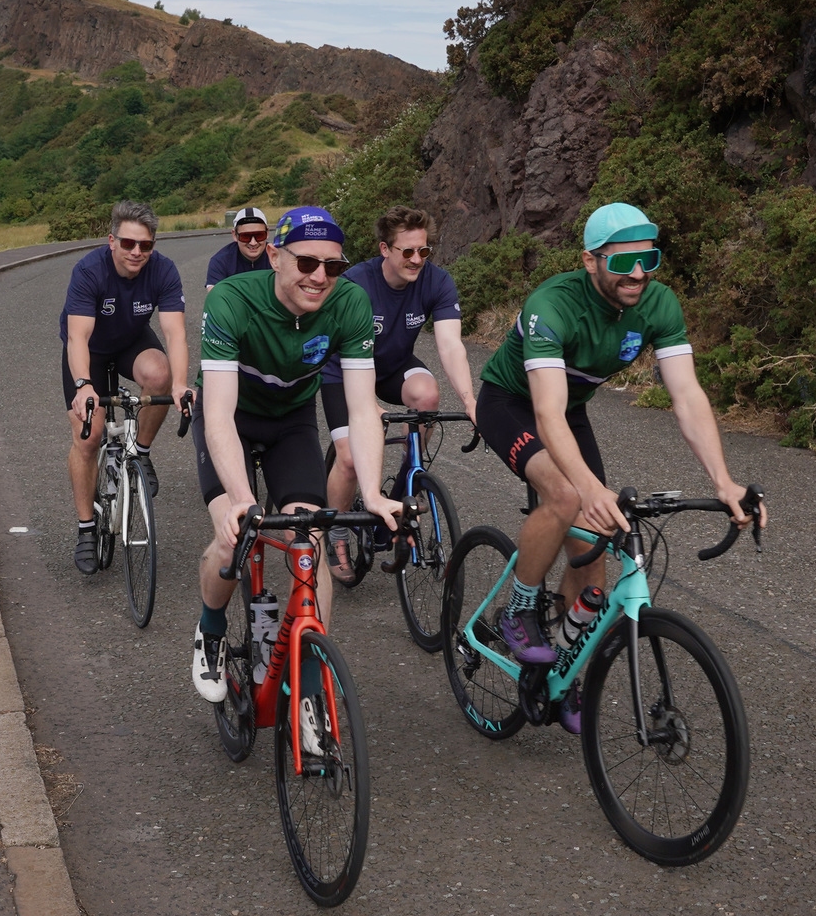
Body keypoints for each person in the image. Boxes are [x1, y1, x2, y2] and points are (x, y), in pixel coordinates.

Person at [473, 202, 765, 733]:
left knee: (593, 548)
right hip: (511, 403)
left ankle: (565, 665)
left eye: (649, 259)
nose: (638, 273)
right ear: (590, 261)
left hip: (572, 409)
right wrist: (587, 488)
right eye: (623, 262)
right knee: (565, 498)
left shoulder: (658, 304)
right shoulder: (552, 305)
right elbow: (545, 414)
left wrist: (723, 481)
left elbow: (687, 396)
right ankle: (518, 608)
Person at [190, 206, 398, 712]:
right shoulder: (234, 301)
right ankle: (211, 629)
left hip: (291, 424)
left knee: (309, 538)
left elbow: (362, 407)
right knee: (230, 536)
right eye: (307, 263)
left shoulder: (349, 303)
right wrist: (241, 500)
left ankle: (308, 679)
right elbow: (217, 414)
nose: (320, 276)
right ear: (276, 257)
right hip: (232, 418)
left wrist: (372, 493)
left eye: (333, 265)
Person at [320, 206, 479, 580]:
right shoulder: (356, 283)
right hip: (342, 371)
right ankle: (338, 532)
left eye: (423, 251)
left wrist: (472, 401)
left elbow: (451, 346)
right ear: (384, 249)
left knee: (426, 396)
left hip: (391, 366)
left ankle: (409, 478)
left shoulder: (437, 281)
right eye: (406, 251)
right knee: (350, 458)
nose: (416, 259)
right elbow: (336, 347)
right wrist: (367, 407)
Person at [62, 201, 190, 573]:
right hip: (91, 351)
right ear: (112, 241)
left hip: (131, 341)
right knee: (89, 435)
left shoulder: (163, 270)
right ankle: (87, 529)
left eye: (145, 245)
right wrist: (84, 385)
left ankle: (141, 452)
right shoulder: (89, 271)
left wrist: (181, 385)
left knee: (159, 374)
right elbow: (77, 337)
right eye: (129, 243)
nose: (137, 252)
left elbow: (175, 333)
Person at [205, 206, 269, 291]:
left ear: (267, 234)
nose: (253, 243)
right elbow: (215, 297)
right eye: (245, 236)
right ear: (235, 235)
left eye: (259, 235)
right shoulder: (220, 261)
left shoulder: (280, 256)